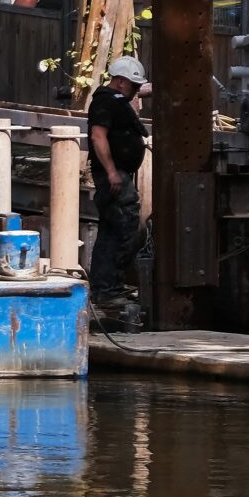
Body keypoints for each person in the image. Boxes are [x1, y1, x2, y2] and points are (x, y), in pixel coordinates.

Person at [83, 54, 150, 321]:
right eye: (134, 86)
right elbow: (98, 136)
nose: (136, 90)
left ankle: (105, 288)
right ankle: (109, 290)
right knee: (122, 228)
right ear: (121, 82)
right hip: (114, 177)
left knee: (111, 231)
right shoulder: (104, 102)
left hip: (120, 175)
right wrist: (111, 172)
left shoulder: (116, 101)